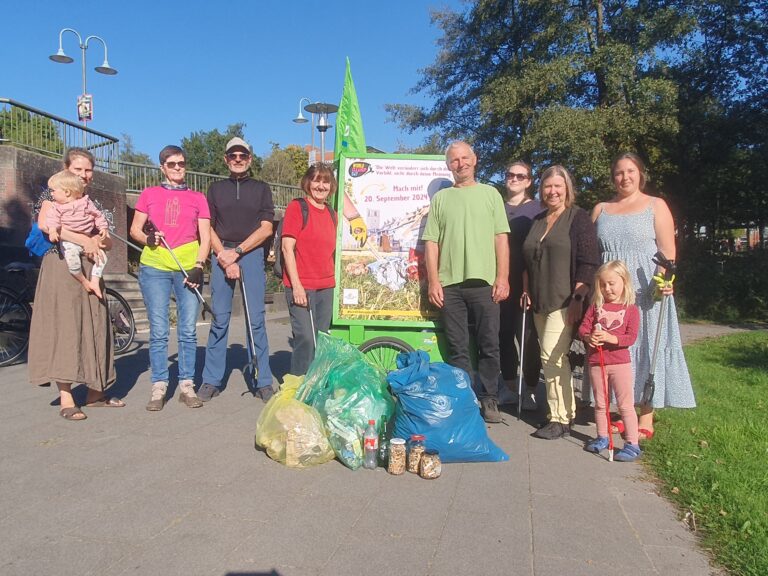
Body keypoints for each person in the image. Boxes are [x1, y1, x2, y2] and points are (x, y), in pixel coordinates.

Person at [591, 152, 695, 440]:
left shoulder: (655, 205)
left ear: (640, 174)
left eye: (630, 171)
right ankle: (621, 409)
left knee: (647, 346)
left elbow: (668, 253)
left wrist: (664, 282)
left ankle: (645, 415)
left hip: (644, 290)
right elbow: (591, 253)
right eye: (619, 172)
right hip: (610, 291)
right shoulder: (601, 209)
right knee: (615, 348)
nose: (624, 177)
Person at [29, 147, 122, 421]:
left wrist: (98, 241)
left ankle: (95, 393)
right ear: (66, 169)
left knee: (95, 324)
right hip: (62, 267)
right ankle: (67, 397)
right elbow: (47, 225)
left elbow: (108, 240)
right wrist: (87, 240)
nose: (83, 174)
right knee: (66, 327)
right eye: (78, 169)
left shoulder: (90, 202)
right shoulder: (52, 195)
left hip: (92, 266)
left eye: (88, 169)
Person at [422, 141, 510, 423]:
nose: (460, 164)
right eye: (454, 160)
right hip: (450, 286)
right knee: (458, 347)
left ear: (475, 160)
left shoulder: (491, 194)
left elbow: (501, 239)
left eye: (465, 158)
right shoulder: (441, 199)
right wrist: (434, 281)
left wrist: (503, 277)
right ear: (448, 165)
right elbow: (432, 243)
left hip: (485, 283)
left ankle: (490, 398)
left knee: (489, 344)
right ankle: (465, 399)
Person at [129, 145, 211, 411]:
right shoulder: (149, 194)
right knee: (160, 329)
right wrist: (148, 238)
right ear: (162, 166)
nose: (178, 168)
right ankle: (159, 385)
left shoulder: (198, 197)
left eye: (182, 164)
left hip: (187, 268)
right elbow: (135, 231)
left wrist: (200, 264)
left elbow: (205, 235)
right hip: (155, 266)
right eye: (172, 164)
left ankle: (187, 384)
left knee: (187, 329)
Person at [522, 165, 599, 439]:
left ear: (567, 188)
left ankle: (559, 418)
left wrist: (580, 296)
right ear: (541, 189)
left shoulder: (578, 218)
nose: (552, 191)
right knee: (554, 359)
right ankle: (565, 415)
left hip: (565, 299)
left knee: (552, 357)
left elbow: (589, 262)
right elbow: (527, 260)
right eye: (547, 186)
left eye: (558, 186)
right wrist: (525, 289)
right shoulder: (539, 220)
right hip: (538, 300)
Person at [197, 137, 275, 403]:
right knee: (219, 318)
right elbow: (207, 227)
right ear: (226, 159)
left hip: (250, 254)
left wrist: (238, 252)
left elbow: (266, 228)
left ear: (250, 159)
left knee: (256, 320)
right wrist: (223, 255)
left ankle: (262, 379)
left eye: (243, 155)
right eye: (233, 156)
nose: (238, 159)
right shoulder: (216, 189)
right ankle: (211, 380)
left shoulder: (262, 188)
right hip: (222, 254)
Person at [578, 260, 642, 461]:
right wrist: (589, 337)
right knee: (600, 403)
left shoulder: (630, 309)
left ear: (624, 282)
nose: (607, 288)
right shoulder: (596, 306)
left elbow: (630, 338)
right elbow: (583, 328)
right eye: (603, 284)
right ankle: (602, 437)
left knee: (625, 405)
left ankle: (633, 443)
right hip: (598, 362)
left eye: (612, 283)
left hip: (620, 363)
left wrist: (610, 338)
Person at [281, 164, 338, 375]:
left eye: (325, 181)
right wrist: (296, 286)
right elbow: (287, 247)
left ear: (331, 185)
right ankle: (298, 387)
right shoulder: (298, 208)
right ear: (308, 183)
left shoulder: (332, 214)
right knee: (305, 337)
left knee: (321, 339)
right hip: (301, 285)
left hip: (326, 286)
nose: (321, 186)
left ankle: (315, 386)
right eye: (316, 180)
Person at [498, 160, 543, 411]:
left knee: (527, 338)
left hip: (527, 281)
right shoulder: (498, 207)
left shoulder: (537, 209)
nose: (514, 179)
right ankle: (509, 387)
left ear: (528, 181)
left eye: (520, 176)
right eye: (510, 174)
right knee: (503, 336)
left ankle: (531, 390)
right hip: (501, 280)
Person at [45, 170, 110, 298]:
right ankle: (84, 281)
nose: (51, 193)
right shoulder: (57, 206)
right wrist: (52, 230)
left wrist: (103, 227)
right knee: (72, 261)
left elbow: (98, 215)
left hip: (87, 236)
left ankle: (95, 281)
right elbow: (51, 220)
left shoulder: (86, 202)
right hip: (69, 242)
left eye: (53, 190)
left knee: (102, 258)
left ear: (67, 192)